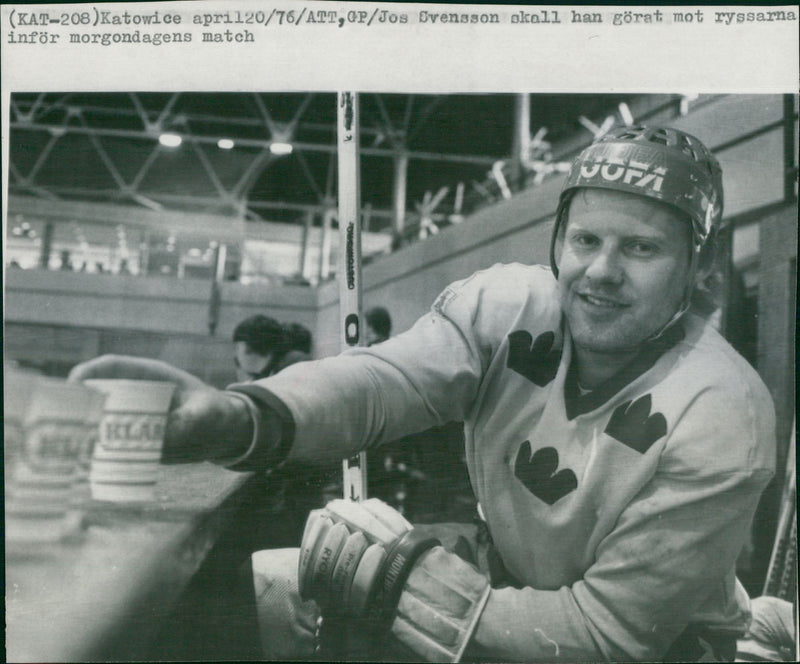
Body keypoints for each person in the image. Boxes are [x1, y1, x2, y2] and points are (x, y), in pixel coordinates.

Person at [70, 126, 776, 662]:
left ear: (699, 265)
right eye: (585, 239)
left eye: (642, 249)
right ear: (558, 239)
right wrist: (237, 416)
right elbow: (384, 382)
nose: (601, 271)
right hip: (517, 604)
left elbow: (610, 631)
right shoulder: (510, 307)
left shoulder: (721, 412)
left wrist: (404, 583)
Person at [232, 314, 310, 382]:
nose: (235, 356)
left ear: (247, 346)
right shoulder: (264, 372)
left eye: (237, 348)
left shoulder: (297, 365)